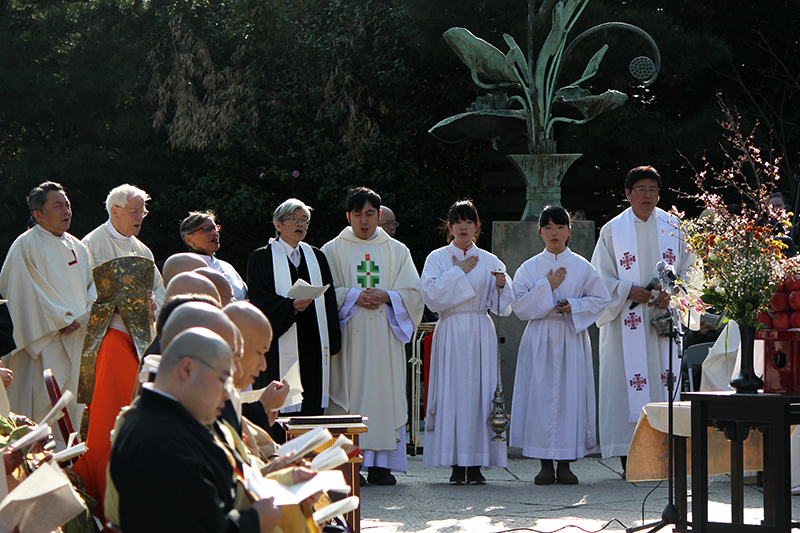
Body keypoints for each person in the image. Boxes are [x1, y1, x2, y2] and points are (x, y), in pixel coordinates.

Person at [106, 327, 282, 533]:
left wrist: (280, 477)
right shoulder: (160, 441)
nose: (228, 394)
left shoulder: (171, 419)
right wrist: (256, 521)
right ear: (187, 369)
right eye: (222, 380)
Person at [590, 166, 694, 469]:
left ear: (658, 194)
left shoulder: (673, 226)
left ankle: (666, 454)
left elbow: (691, 270)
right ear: (628, 194)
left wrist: (673, 294)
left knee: (665, 380)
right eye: (640, 189)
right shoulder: (612, 230)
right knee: (627, 384)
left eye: (652, 189)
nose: (646, 195)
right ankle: (629, 457)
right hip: (626, 320)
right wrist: (625, 290)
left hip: (664, 320)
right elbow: (600, 277)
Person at [321, 187, 424, 485]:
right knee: (349, 396)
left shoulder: (397, 250)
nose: (363, 221)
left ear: (379, 216)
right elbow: (324, 294)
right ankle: (351, 465)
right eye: (357, 214)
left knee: (383, 395)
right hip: (349, 339)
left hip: (384, 336)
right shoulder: (331, 250)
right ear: (347, 216)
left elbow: (414, 294)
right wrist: (353, 295)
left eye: (369, 214)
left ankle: (381, 466)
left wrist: (388, 295)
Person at [511, 205, 611, 485]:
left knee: (570, 398)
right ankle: (544, 463)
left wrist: (574, 306)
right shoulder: (530, 267)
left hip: (570, 336)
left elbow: (600, 299)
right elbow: (518, 304)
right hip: (540, 336)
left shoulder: (582, 266)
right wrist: (546, 286)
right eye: (548, 228)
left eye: (559, 227)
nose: (554, 233)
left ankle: (566, 462)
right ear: (540, 232)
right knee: (539, 398)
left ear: (569, 231)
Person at [420, 200, 512, 485]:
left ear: (476, 227)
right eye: (458, 221)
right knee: (452, 393)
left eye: (468, 221)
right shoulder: (437, 258)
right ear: (449, 227)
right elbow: (431, 295)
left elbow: (503, 305)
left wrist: (501, 285)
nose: (463, 226)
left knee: (481, 395)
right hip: (451, 327)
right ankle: (455, 463)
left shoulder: (490, 260)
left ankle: (477, 463)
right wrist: (458, 271)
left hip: (479, 328)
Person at [0, 181, 96, 426]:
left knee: (72, 403)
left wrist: (85, 315)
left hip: (76, 337)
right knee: (42, 401)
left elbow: (91, 287)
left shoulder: (79, 246)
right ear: (38, 215)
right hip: (44, 339)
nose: (66, 211)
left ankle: (70, 458)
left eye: (67, 205)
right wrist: (61, 319)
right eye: (58, 206)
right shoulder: (26, 244)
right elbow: (23, 290)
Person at [246, 199, 341, 418]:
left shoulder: (316, 257)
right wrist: (290, 307)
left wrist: (332, 341)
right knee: (280, 411)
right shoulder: (261, 258)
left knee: (311, 407)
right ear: (278, 225)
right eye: (294, 219)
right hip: (278, 345)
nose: (300, 224)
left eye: (304, 220)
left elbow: (328, 300)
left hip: (313, 345)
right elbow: (261, 300)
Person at [81, 184, 165, 305]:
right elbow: (85, 294)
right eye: (134, 212)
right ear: (115, 211)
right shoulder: (90, 245)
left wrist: (149, 307)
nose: (140, 217)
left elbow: (158, 291)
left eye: (143, 212)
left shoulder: (143, 251)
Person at [180, 211, 248, 301]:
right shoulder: (185, 269)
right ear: (189, 240)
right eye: (206, 229)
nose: (214, 233)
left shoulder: (227, 266)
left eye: (215, 228)